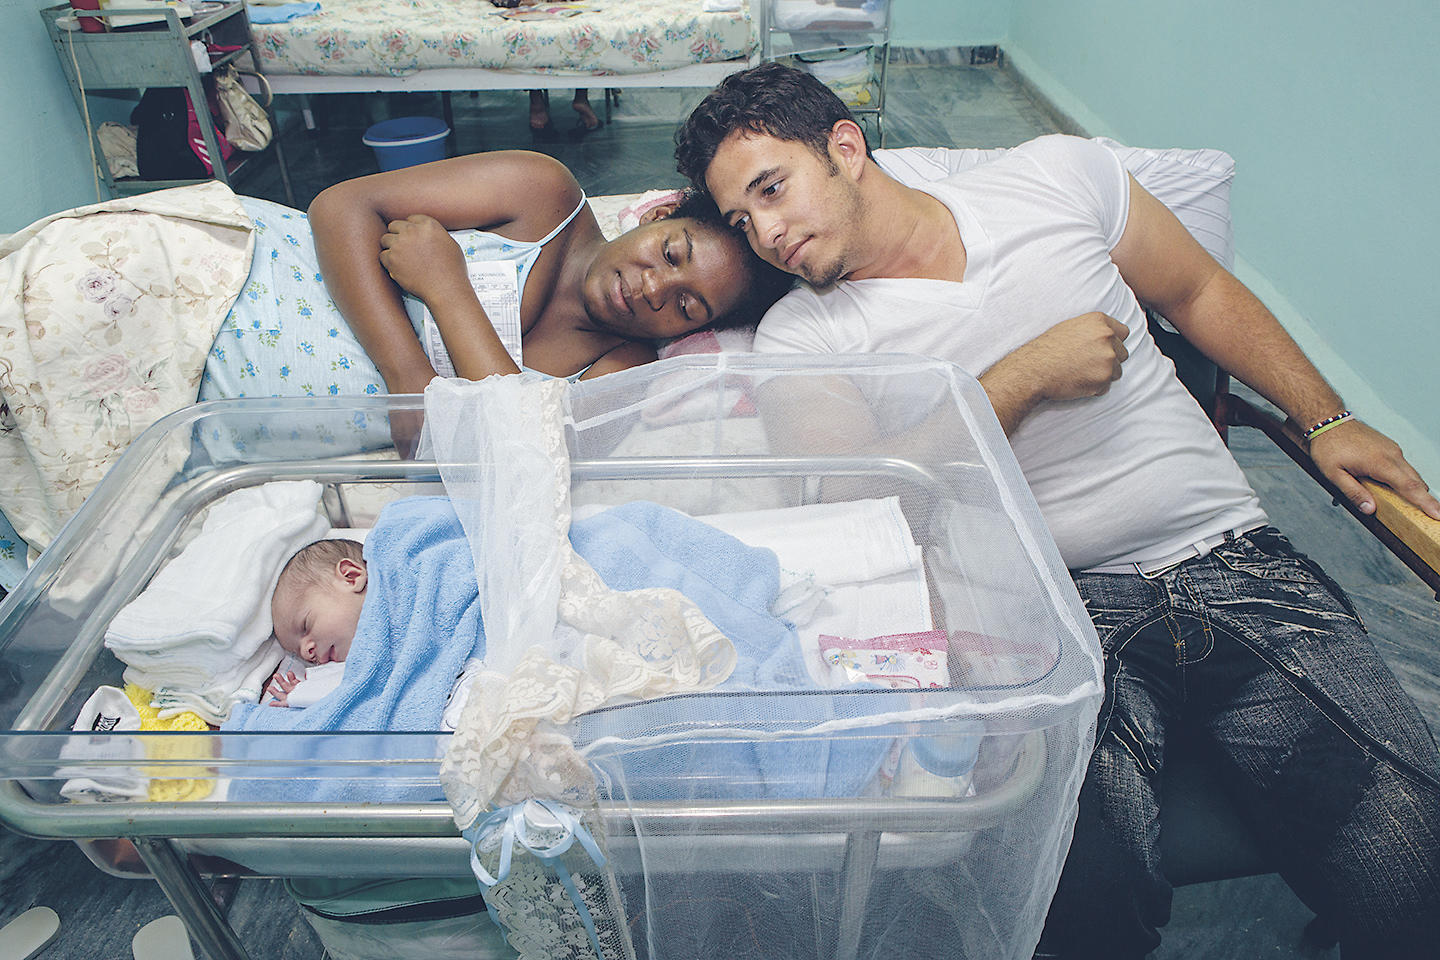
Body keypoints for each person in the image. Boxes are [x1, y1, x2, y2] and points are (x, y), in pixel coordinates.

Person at [675, 62, 1440, 959]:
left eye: (772, 190)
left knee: (1413, 872)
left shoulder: (1055, 178)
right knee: (1076, 905)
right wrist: (1022, 379)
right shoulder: (806, 335)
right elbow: (856, 505)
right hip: (1046, 616)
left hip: (1234, 559)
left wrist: (1327, 418)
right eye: (741, 219)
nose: (765, 233)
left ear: (845, 147)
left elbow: (1197, 292)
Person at [306, 150, 792, 451]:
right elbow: (341, 205)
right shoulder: (542, 194)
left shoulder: (621, 370)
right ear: (657, 216)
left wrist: (449, 290)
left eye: (686, 306)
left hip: (275, 426)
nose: (652, 288)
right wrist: (409, 377)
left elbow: (527, 456)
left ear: (694, 333)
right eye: (670, 254)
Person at [267, 538, 367, 707]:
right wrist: (308, 692)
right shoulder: (357, 663)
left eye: (305, 626)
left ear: (351, 577)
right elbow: (353, 689)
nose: (306, 653)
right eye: (300, 654)